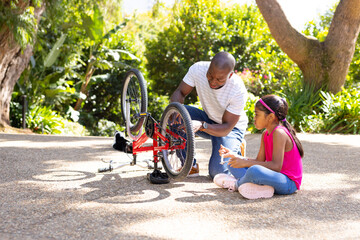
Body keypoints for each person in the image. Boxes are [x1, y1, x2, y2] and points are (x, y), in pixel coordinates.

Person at [170, 51, 248, 178]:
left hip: (230, 129)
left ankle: (237, 145)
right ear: (209, 66)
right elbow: (180, 92)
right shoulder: (198, 69)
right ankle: (189, 166)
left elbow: (226, 127)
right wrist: (175, 112)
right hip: (209, 119)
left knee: (218, 173)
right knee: (174, 113)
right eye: (210, 76)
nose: (213, 82)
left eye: (219, 79)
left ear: (230, 75)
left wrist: (201, 125)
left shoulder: (238, 89)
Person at [214, 94, 304, 199]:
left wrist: (245, 162)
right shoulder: (265, 134)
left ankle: (236, 184)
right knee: (231, 162)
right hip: (272, 177)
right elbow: (259, 160)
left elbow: (276, 166)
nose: (254, 118)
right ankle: (260, 188)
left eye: (257, 114)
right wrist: (236, 156)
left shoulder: (279, 133)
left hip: (288, 183)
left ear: (270, 117)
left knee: (255, 171)